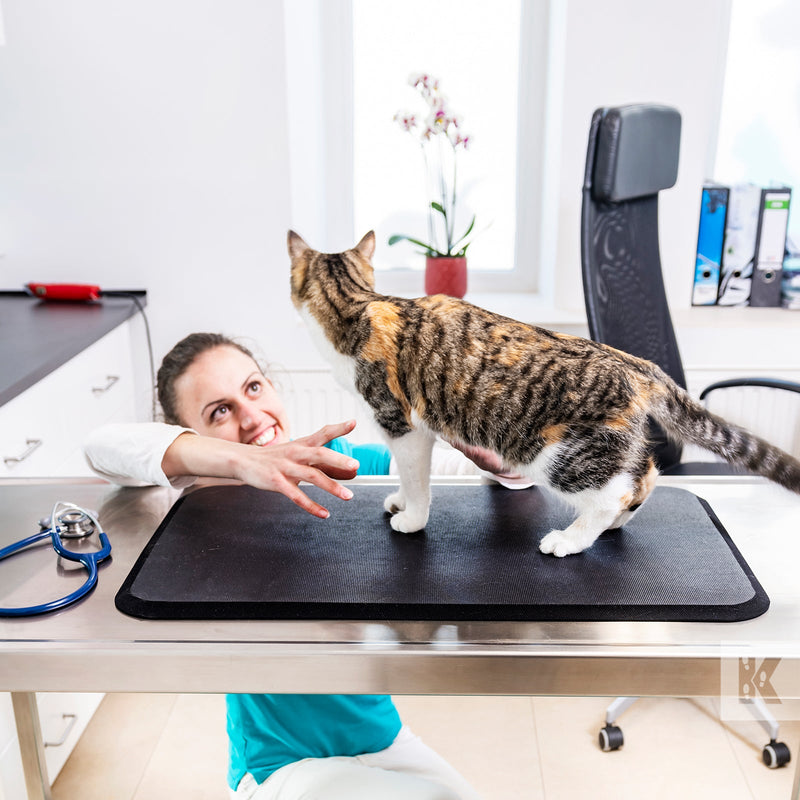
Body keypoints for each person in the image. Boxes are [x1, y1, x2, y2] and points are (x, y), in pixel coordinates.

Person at [85, 332, 494, 800]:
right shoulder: (200, 509)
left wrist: (501, 458)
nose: (251, 416)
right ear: (188, 435)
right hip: (282, 766)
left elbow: (469, 474)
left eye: (253, 388)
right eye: (220, 411)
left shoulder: (351, 467)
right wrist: (239, 461)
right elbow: (102, 446)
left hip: (382, 738)